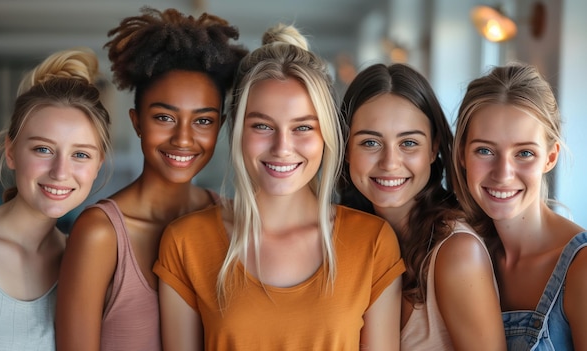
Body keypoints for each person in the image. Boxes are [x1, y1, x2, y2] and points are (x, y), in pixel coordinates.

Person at [154, 24, 405, 351]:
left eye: (302, 127)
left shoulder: (372, 242)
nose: (282, 147)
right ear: (238, 131)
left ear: (326, 134)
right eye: (262, 125)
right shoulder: (186, 242)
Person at [55, 7, 247, 351]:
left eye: (203, 121)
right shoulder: (100, 234)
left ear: (219, 126)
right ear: (136, 121)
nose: (184, 139)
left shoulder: (236, 221)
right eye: (164, 117)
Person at [338, 63, 506, 350]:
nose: (390, 163)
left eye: (409, 143)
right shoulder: (350, 238)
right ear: (346, 149)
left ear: (433, 148)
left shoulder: (456, 252)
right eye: (370, 142)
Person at [0, 47, 111, 350]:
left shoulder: (85, 263)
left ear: (98, 165)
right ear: (11, 151)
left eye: (80, 154)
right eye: (43, 149)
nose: (60, 171)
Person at [453, 63, 587, 350]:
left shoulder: (581, 268)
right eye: (485, 150)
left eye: (524, 153)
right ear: (462, 154)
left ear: (550, 158)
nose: (503, 173)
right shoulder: (464, 251)